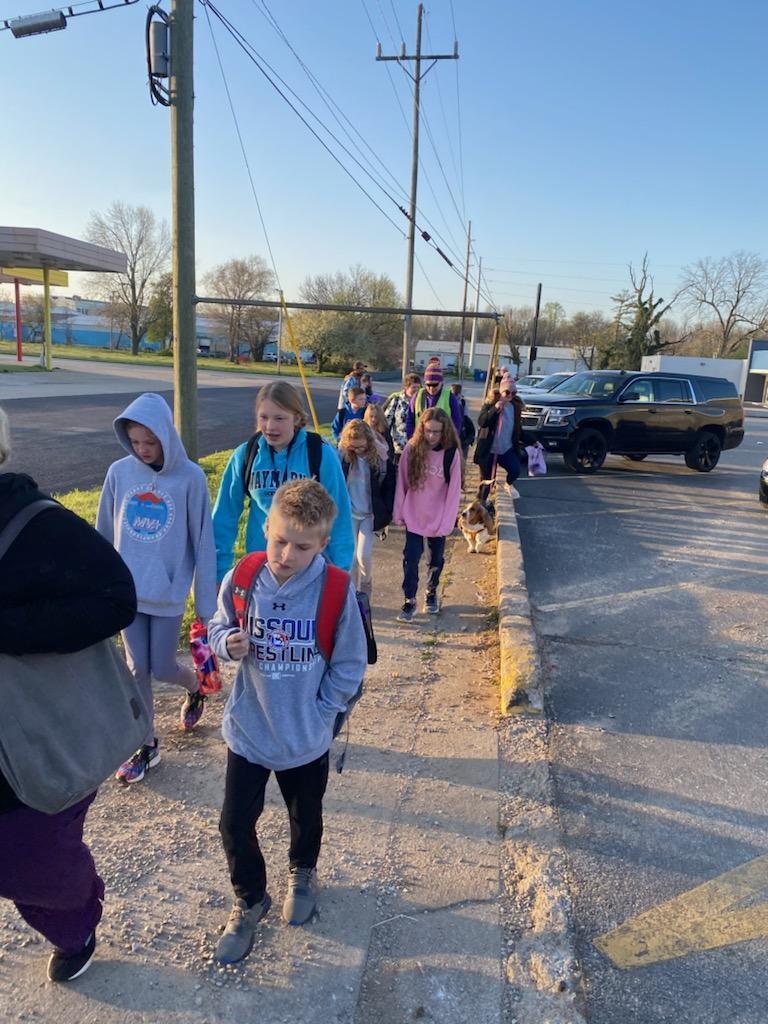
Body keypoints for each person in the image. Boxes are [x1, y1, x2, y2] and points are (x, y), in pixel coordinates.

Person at [0, 406, 137, 982]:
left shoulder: (35, 522)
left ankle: (76, 920)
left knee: (33, 863)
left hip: (38, 738)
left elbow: (115, 597)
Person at [209, 479, 367, 961]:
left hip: (305, 736)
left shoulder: (336, 590)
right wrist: (225, 642)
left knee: (306, 815)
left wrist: (321, 715)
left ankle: (303, 871)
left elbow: (349, 665)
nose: (286, 554)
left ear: (322, 544)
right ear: (266, 527)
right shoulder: (244, 576)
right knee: (235, 824)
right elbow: (216, 623)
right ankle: (250, 898)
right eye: (279, 540)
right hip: (250, 730)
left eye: (302, 546)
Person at [96, 393, 218, 784]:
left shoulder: (191, 479)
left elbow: (202, 541)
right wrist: (97, 587)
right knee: (137, 669)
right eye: (135, 442)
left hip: (166, 594)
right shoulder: (119, 473)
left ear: (167, 435)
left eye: (150, 442)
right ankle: (145, 745)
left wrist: (205, 602)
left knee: (163, 667)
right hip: (127, 595)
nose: (143, 450)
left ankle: (196, 687)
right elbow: (101, 534)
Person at [213, 381, 354, 580]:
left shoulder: (320, 454)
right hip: (262, 569)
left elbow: (340, 516)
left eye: (280, 418)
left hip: (309, 571)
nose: (270, 427)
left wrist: (339, 576)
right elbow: (223, 517)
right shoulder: (246, 455)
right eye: (264, 417)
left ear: (296, 418)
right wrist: (219, 574)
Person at [393, 408, 462, 622]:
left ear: (445, 432)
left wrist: (448, 522)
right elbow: (401, 483)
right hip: (414, 515)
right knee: (410, 558)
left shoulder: (451, 454)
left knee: (435, 560)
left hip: (438, 517)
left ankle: (431, 593)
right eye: (428, 431)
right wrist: (399, 512)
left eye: (437, 432)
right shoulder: (412, 449)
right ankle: (409, 598)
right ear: (422, 429)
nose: (432, 436)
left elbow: (453, 491)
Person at [337, 419, 395, 597]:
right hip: (349, 513)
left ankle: (367, 583)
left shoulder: (380, 458)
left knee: (364, 555)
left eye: (362, 447)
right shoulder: (343, 456)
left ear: (368, 442)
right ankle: (352, 593)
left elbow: (389, 487)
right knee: (351, 558)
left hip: (370, 514)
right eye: (354, 447)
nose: (358, 451)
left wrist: (387, 514)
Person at [474, 372, 524, 500]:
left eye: (514, 393)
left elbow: (518, 429)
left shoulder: (515, 407)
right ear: (501, 392)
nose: (510, 396)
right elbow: (482, 422)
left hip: (505, 449)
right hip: (488, 449)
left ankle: (508, 484)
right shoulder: (491, 403)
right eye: (507, 393)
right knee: (486, 482)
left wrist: (534, 441)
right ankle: (481, 504)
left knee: (515, 469)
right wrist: (495, 409)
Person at [405, 362, 464, 440]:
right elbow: (410, 420)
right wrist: (412, 440)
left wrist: (451, 443)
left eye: (435, 385)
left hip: (442, 443)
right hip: (420, 442)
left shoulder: (449, 397)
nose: (431, 388)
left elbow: (456, 422)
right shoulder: (417, 396)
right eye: (428, 385)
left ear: (441, 383)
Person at [384, 373, 420, 459]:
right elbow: (386, 420)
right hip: (400, 446)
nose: (416, 390)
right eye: (413, 387)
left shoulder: (421, 401)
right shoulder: (397, 400)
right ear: (406, 387)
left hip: (418, 445)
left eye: (418, 387)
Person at [450, 383, 476, 459]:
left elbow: (466, 418)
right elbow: (466, 417)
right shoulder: (461, 402)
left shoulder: (462, 402)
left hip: (461, 436)